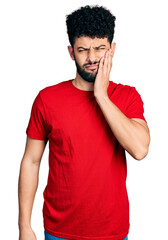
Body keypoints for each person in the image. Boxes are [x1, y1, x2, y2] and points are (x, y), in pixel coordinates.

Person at [18, 5, 150, 240]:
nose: (91, 58)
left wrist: (101, 95)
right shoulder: (47, 99)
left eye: (100, 48)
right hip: (59, 232)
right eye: (83, 50)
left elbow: (140, 149)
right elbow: (31, 161)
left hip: (112, 232)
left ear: (112, 49)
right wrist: (24, 227)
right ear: (71, 52)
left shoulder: (128, 96)